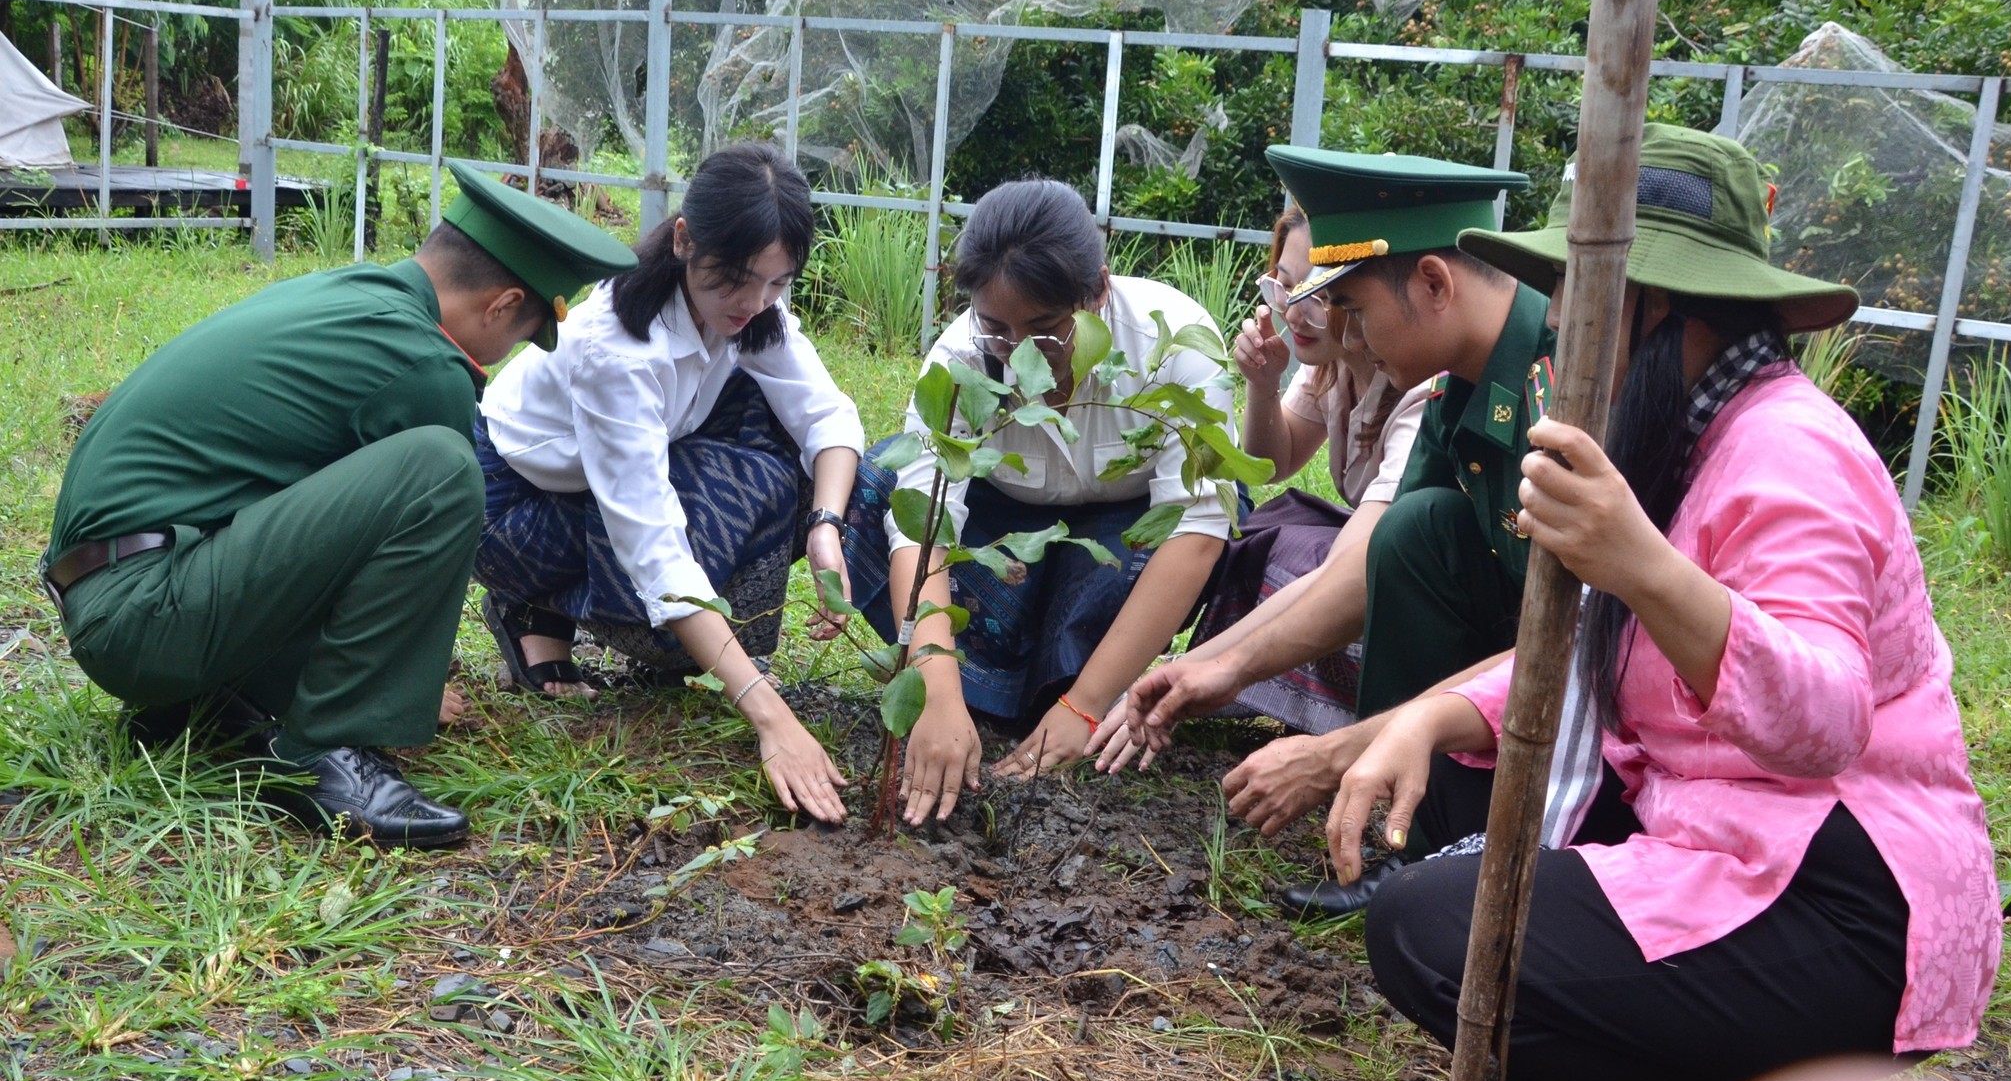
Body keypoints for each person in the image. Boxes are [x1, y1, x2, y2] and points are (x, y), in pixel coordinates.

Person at [1328, 123, 2000, 1081]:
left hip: (1832, 891)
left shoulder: (1785, 450)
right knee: (1456, 844)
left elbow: (1821, 716)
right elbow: (1602, 651)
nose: (1553, 334)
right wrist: (1429, 716)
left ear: (1654, 308)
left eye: (1579, 306)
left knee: (1431, 927)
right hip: (1715, 832)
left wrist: (1640, 561)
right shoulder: (1681, 434)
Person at [42, 162, 638, 847]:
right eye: (518, 334)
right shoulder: (424, 362)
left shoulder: (354, 296)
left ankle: (214, 707)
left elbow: (321, 529)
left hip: (115, 597)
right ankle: (328, 746)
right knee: (442, 471)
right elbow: (411, 530)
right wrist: (386, 692)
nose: (505, 355)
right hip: (145, 615)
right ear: (501, 305)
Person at [1115, 144, 1541, 918]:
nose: (1350, 334)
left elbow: (1582, 649)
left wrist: (1338, 749)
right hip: (1508, 672)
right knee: (1416, 532)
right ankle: (1419, 844)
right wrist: (1225, 668)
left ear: (1434, 285)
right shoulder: (1460, 385)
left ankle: (1495, 847)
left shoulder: (1560, 383)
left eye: (1357, 310)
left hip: (1601, 706)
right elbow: (1372, 564)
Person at [472, 142, 861, 824]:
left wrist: (825, 526)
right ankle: (530, 603)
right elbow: (656, 549)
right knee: (661, 603)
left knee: (800, 460)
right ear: (684, 240)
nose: (753, 302)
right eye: (735, 280)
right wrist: (772, 719)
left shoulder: (752, 310)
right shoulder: (615, 347)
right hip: (513, 504)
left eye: (776, 281)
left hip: (604, 481)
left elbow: (828, 415)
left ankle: (703, 646)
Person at [842, 178, 1238, 826]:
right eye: (996, 327)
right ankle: (981, 692)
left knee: (1146, 549)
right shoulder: (960, 360)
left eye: (1048, 329)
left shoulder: (1175, 345)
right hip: (1003, 528)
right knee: (875, 487)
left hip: (1116, 535)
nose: (1020, 352)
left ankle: (1064, 687)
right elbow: (924, 522)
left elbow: (1195, 527)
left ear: (1098, 292)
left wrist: (1084, 708)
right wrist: (935, 688)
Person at [1183, 201, 1436, 734]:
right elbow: (1272, 464)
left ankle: (1346, 711)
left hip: (1403, 579)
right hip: (1373, 546)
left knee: (1305, 559)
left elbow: (1352, 570)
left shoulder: (1423, 387)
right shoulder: (1335, 364)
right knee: (1269, 526)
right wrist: (1262, 384)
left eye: (1318, 296)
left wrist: (1196, 672)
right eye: (1283, 286)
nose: (1293, 312)